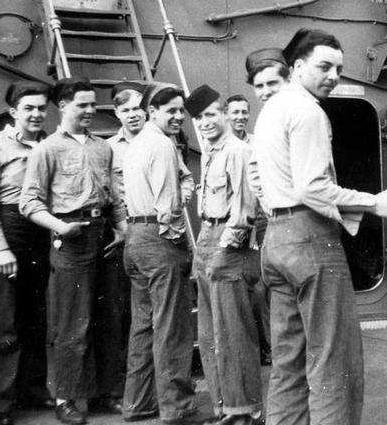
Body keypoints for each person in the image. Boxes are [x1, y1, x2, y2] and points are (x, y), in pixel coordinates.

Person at [251, 28, 387, 424]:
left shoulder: (270, 109)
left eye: (339, 68)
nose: (333, 76)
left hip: (277, 239)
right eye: (324, 66)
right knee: (334, 362)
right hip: (311, 242)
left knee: (288, 363)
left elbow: (261, 178)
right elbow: (313, 187)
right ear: (297, 67)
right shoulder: (308, 112)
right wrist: (375, 202)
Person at [19, 77, 128, 425]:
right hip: (70, 239)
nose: (90, 110)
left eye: (93, 104)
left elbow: (114, 195)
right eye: (83, 104)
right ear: (63, 105)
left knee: (107, 318)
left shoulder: (103, 147)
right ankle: (65, 397)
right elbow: (28, 202)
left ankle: (103, 393)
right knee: (71, 323)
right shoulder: (46, 149)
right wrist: (59, 226)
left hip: (104, 237)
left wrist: (122, 227)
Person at [121, 82, 205, 424]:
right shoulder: (163, 146)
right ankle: (178, 408)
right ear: (151, 112)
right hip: (159, 239)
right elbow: (169, 208)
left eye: (180, 111)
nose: (177, 116)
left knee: (143, 326)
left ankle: (138, 403)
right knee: (172, 327)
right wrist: (178, 245)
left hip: (135, 237)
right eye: (170, 110)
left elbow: (178, 183)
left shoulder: (140, 142)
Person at [0, 81, 54, 425]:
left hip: (42, 234)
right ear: (14, 113)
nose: (36, 114)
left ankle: (32, 392)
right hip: (9, 231)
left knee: (36, 318)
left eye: (41, 108)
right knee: (2, 324)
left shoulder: (51, 145)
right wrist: (0, 248)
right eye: (29, 109)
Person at [188, 85, 261, 425]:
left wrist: (222, 249)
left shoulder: (237, 151)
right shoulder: (211, 151)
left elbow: (245, 209)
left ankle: (243, 410)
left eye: (210, 115)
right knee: (208, 333)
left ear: (225, 114)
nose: (204, 122)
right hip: (207, 235)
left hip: (228, 243)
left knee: (231, 331)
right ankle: (223, 406)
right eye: (199, 117)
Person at [91, 82, 147, 415]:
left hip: (154, 234)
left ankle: (142, 385)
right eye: (125, 110)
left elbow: (182, 182)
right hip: (121, 238)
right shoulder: (108, 149)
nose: (133, 114)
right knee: (116, 314)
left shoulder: (162, 143)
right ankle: (114, 388)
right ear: (117, 113)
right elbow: (108, 194)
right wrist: (122, 230)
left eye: (138, 108)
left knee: (145, 314)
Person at [243, 47, 290, 365]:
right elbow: (256, 175)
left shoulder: (294, 114)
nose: (265, 92)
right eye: (259, 86)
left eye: (272, 83)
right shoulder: (264, 126)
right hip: (279, 224)